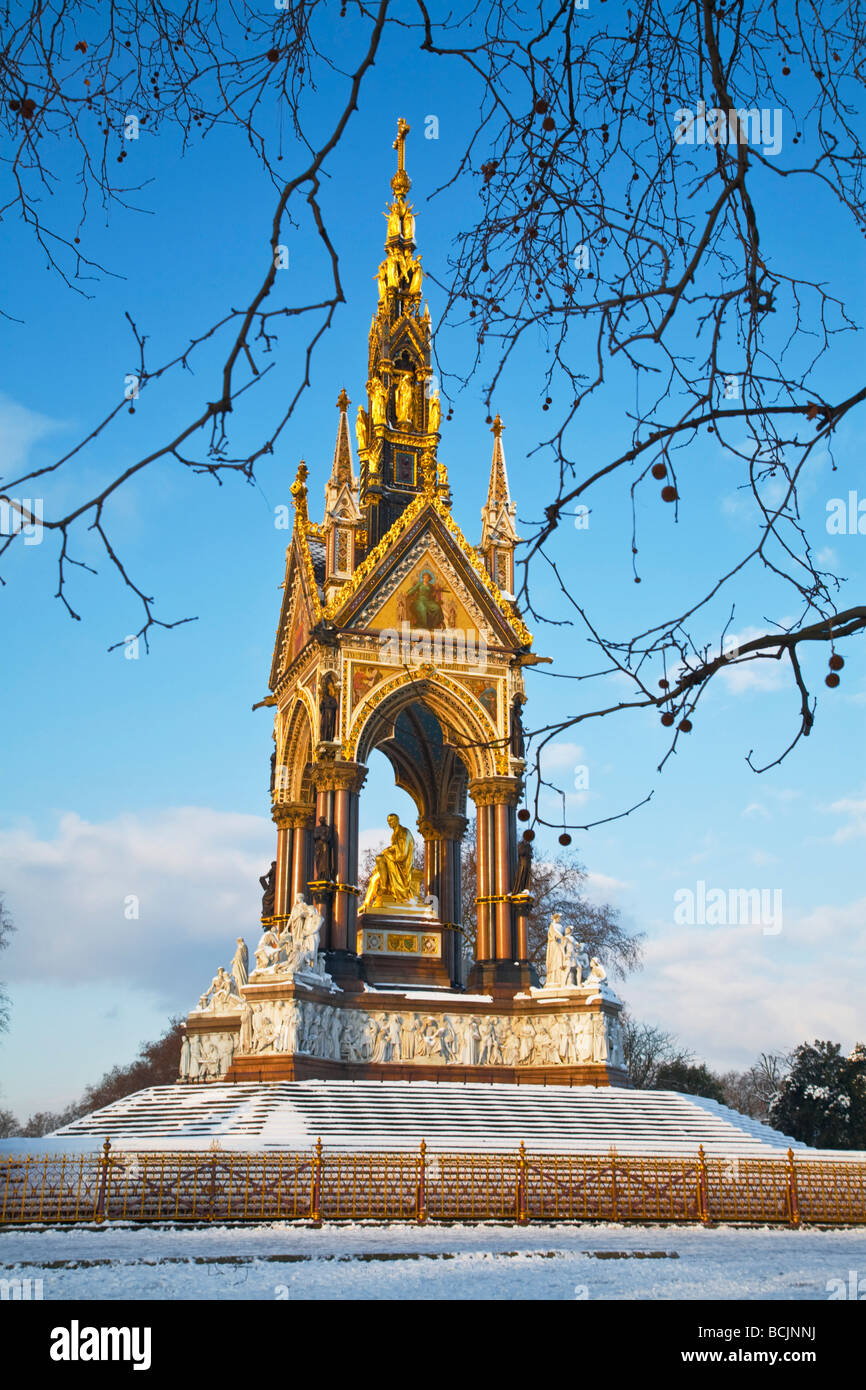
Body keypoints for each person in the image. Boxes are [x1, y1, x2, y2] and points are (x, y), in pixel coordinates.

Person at [361, 813, 416, 911]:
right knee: (374, 879)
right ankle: (366, 904)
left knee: (379, 858)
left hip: (402, 865)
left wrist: (389, 850)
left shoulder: (403, 832)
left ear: (397, 820)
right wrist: (389, 850)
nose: (390, 823)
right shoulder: (395, 833)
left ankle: (383, 888)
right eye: (388, 821)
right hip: (394, 863)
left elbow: (402, 855)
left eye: (392, 820)